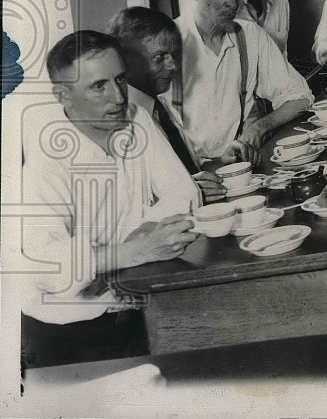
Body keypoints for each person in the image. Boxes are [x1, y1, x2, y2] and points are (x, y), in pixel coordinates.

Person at [21, 31, 200, 367]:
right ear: (64, 95)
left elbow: (184, 193)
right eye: (98, 86)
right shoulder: (45, 162)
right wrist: (137, 250)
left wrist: (133, 239)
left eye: (120, 79)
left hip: (136, 312)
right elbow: (43, 264)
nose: (118, 96)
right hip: (67, 337)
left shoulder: (135, 119)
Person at [176, 0, 313, 166]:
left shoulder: (249, 36)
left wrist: (260, 126)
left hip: (239, 169)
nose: (232, 1)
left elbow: (300, 96)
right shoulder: (170, 45)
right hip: (190, 178)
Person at [107, 6, 227, 199]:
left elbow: (188, 166)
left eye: (174, 55)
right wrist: (186, 191)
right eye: (159, 58)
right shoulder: (122, 127)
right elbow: (132, 206)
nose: (173, 66)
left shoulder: (161, 106)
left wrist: (221, 160)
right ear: (125, 63)